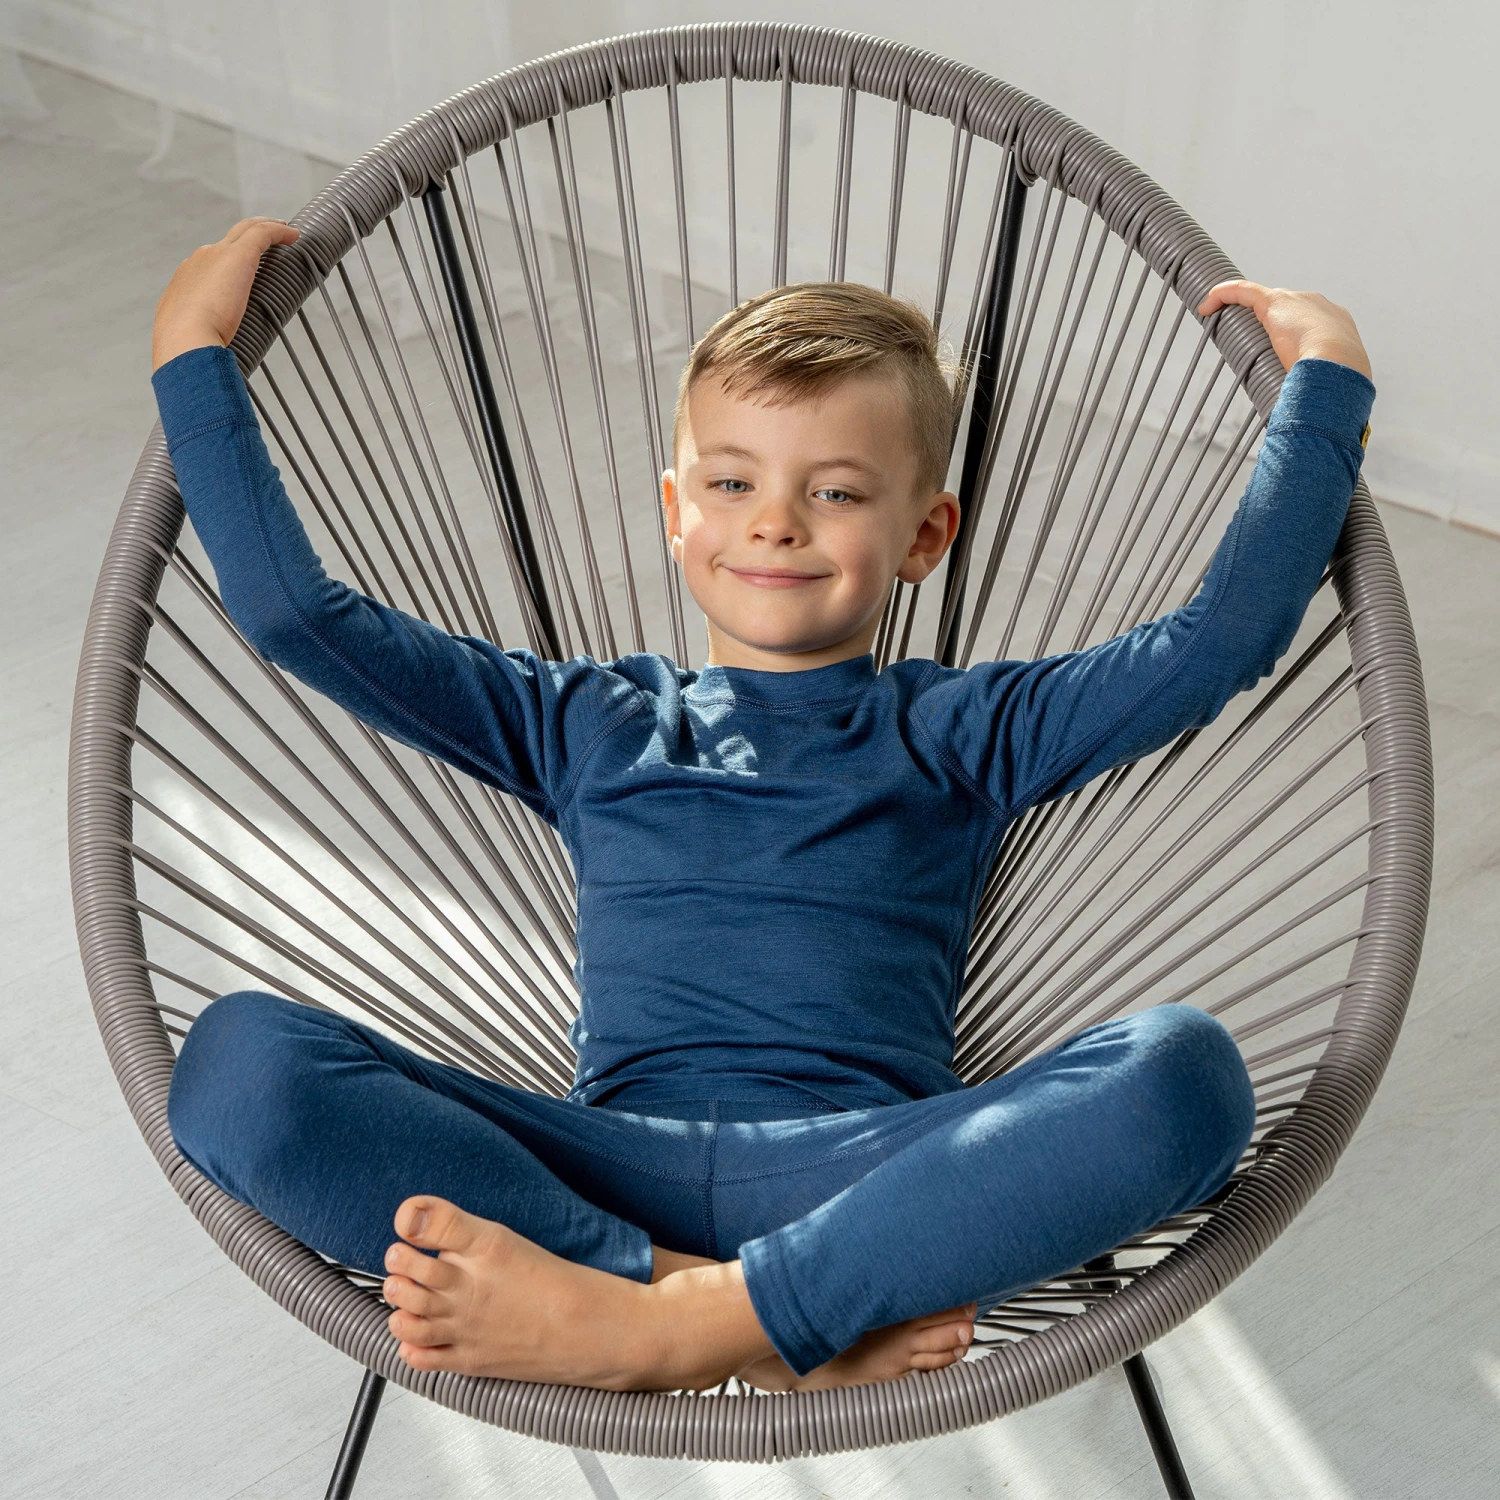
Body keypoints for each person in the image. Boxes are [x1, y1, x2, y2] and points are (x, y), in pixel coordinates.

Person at [151, 216, 1376, 1395]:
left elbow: (1216, 644)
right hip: (599, 1175)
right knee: (240, 1065)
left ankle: (675, 1322)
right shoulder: (587, 720)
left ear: (925, 534)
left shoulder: (961, 729)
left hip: (868, 1185)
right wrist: (192, 358)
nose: (775, 522)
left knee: (1184, 1075)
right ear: (676, 512)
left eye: (835, 493)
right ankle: (712, 1311)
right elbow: (299, 617)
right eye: (732, 481)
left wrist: (1327, 388)